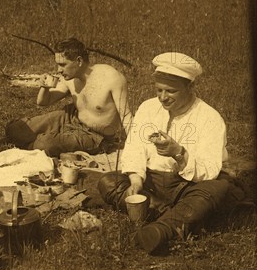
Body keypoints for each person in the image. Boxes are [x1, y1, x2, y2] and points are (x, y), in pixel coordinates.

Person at [98, 52, 230, 254]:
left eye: (171, 91)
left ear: (190, 87)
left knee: (217, 188)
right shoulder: (148, 108)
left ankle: (159, 229)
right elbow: (135, 147)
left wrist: (178, 153)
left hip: (187, 185)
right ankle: (178, 218)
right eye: (158, 90)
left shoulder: (209, 117)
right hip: (152, 183)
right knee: (109, 182)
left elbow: (209, 171)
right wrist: (135, 180)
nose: (162, 97)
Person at [5, 38, 132, 157]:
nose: (58, 70)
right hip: (71, 118)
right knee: (15, 129)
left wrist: (137, 147)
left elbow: (126, 116)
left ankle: (35, 144)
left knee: (44, 144)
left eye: (62, 65)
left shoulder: (111, 78)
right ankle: (32, 143)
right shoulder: (70, 78)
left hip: (95, 136)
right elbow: (43, 102)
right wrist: (44, 86)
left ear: (79, 61)